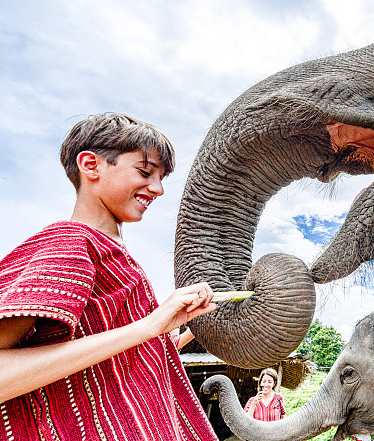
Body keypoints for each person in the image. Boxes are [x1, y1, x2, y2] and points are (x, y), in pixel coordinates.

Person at [0, 113, 219, 440]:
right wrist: (149, 326)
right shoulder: (71, 244)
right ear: (91, 166)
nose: (157, 189)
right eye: (145, 172)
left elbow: (115, 363)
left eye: (161, 178)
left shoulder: (114, 255)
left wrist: (172, 329)